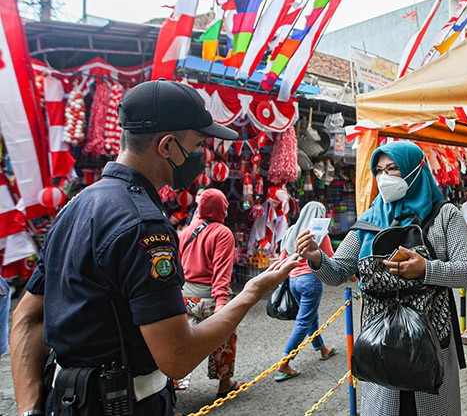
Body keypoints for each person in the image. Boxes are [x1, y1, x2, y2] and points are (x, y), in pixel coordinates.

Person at [9, 79, 298, 416]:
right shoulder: (144, 225)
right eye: (197, 144)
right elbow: (177, 357)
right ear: (166, 146)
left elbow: (26, 318)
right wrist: (250, 293)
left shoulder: (77, 205)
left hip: (65, 402)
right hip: (123, 404)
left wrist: (29, 410)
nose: (200, 156)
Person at [295, 141, 467, 416]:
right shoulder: (369, 220)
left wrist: (427, 270)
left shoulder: (444, 215)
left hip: (431, 342)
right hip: (380, 344)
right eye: (379, 170)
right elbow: (338, 272)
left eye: (393, 168)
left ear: (415, 169)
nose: (385, 177)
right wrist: (316, 258)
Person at [178, 188, 242, 398]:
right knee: (224, 339)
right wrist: (222, 302)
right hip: (210, 299)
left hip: (185, 298)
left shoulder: (186, 231)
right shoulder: (222, 233)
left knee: (182, 344)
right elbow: (222, 271)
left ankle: (174, 386)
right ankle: (224, 383)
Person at [274, 201, 337, 383]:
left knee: (310, 317)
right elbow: (331, 260)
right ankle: (285, 362)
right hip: (311, 280)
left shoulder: (291, 231)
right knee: (303, 321)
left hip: (293, 281)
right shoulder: (318, 235)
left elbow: (282, 258)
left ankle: (322, 349)